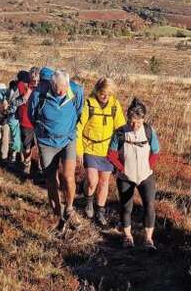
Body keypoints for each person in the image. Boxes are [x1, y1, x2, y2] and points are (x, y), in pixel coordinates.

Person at [28, 69, 84, 229]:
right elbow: (32, 116)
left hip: (68, 140)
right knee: (51, 180)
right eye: (58, 88)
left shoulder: (76, 91)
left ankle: (70, 209)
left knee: (68, 176)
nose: (61, 91)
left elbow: (79, 112)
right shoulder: (38, 95)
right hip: (47, 143)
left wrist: (68, 130)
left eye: (64, 88)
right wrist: (44, 131)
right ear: (51, 84)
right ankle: (57, 215)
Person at [107, 98, 160, 249]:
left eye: (138, 122)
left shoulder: (149, 131)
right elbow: (111, 154)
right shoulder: (120, 133)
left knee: (149, 205)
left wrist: (148, 166)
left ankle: (148, 239)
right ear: (127, 118)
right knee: (126, 206)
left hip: (145, 176)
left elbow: (156, 152)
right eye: (131, 122)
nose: (134, 125)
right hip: (125, 177)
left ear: (143, 119)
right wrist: (122, 169)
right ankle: (127, 237)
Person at [76, 77, 126, 226]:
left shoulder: (115, 106)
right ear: (97, 90)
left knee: (104, 182)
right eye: (103, 93)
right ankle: (89, 202)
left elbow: (120, 128)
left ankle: (100, 211)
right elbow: (79, 128)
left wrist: (121, 151)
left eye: (108, 94)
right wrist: (79, 151)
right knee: (92, 181)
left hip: (107, 151)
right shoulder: (89, 104)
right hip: (90, 148)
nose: (105, 96)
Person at [16, 67, 40, 175]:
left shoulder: (42, 88)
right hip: (26, 121)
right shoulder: (23, 85)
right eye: (33, 78)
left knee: (41, 147)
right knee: (27, 147)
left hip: (39, 122)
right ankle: (27, 163)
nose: (35, 81)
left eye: (37, 78)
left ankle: (40, 168)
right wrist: (30, 90)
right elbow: (22, 99)